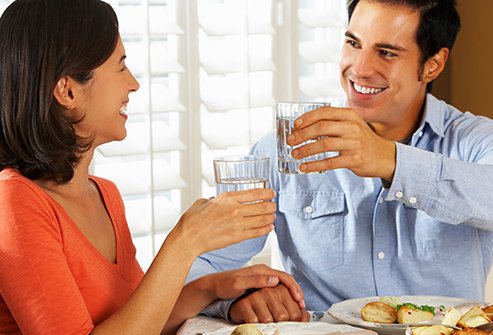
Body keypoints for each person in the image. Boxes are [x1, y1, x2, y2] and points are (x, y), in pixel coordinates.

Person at [0, 0, 306, 334]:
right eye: (120, 67)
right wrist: (184, 242)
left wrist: (215, 289)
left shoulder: (104, 194)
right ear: (67, 90)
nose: (133, 83)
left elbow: (140, 323)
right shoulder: (14, 204)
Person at [188, 0, 493, 325]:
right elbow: (199, 262)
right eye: (353, 43)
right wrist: (238, 297)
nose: (359, 69)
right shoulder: (289, 147)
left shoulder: (473, 141)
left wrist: (390, 161)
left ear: (432, 65)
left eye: (386, 52)